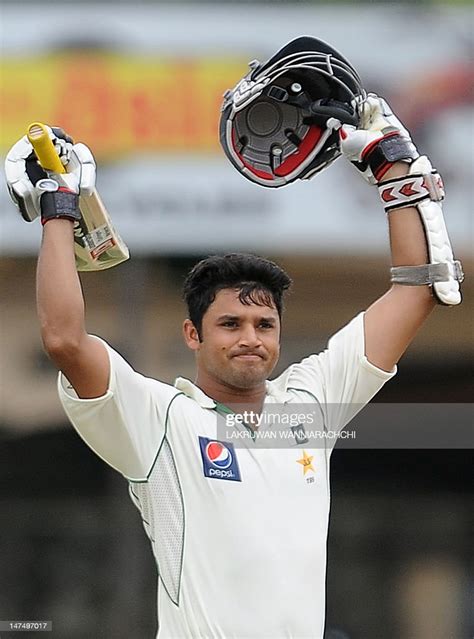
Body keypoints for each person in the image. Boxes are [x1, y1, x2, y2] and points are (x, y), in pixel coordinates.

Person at [5, 93, 462, 638]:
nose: (250, 339)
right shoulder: (161, 419)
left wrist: (395, 174)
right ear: (192, 335)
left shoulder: (309, 404)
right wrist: (59, 209)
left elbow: (415, 291)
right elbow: (63, 339)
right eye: (230, 325)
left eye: (263, 326)